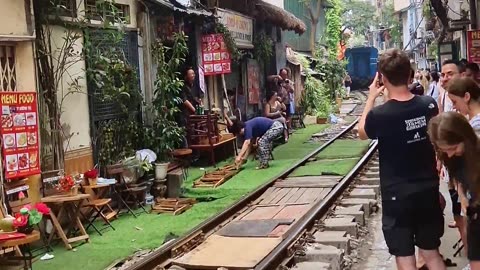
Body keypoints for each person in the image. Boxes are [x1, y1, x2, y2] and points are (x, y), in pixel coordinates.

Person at [357, 48, 445, 270]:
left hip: (397, 195)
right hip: (428, 188)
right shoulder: (429, 105)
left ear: (382, 79)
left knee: (405, 256)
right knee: (431, 252)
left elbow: (362, 132)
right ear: (410, 74)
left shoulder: (380, 115)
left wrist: (371, 97)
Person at [428, 112, 480, 270]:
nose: (449, 154)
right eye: (445, 150)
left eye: (453, 148)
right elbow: (459, 178)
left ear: (464, 137)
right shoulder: (453, 157)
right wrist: (462, 195)